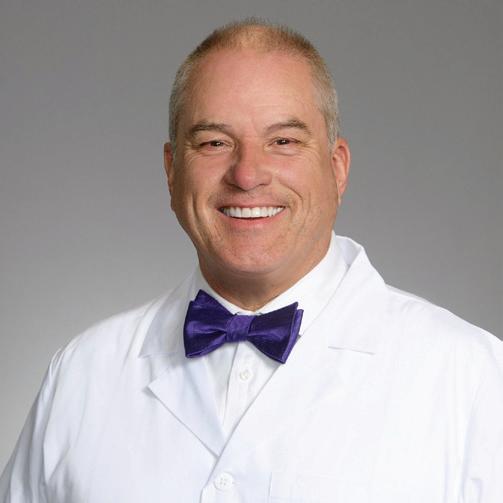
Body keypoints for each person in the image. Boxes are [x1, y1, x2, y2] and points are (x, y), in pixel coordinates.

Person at [1, 19, 502, 503]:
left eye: (283, 141)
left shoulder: (472, 378)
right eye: (214, 143)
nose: (247, 174)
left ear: (337, 168)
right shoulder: (81, 375)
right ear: (172, 171)